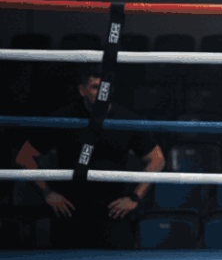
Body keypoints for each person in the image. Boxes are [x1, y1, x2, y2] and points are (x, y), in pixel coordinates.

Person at [15, 65, 165, 249]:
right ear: (82, 90)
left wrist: (135, 198)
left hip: (113, 211)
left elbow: (157, 159)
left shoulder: (127, 119)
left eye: (106, 87)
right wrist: (48, 193)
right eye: (95, 87)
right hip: (70, 210)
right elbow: (24, 157)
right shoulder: (63, 118)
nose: (102, 92)